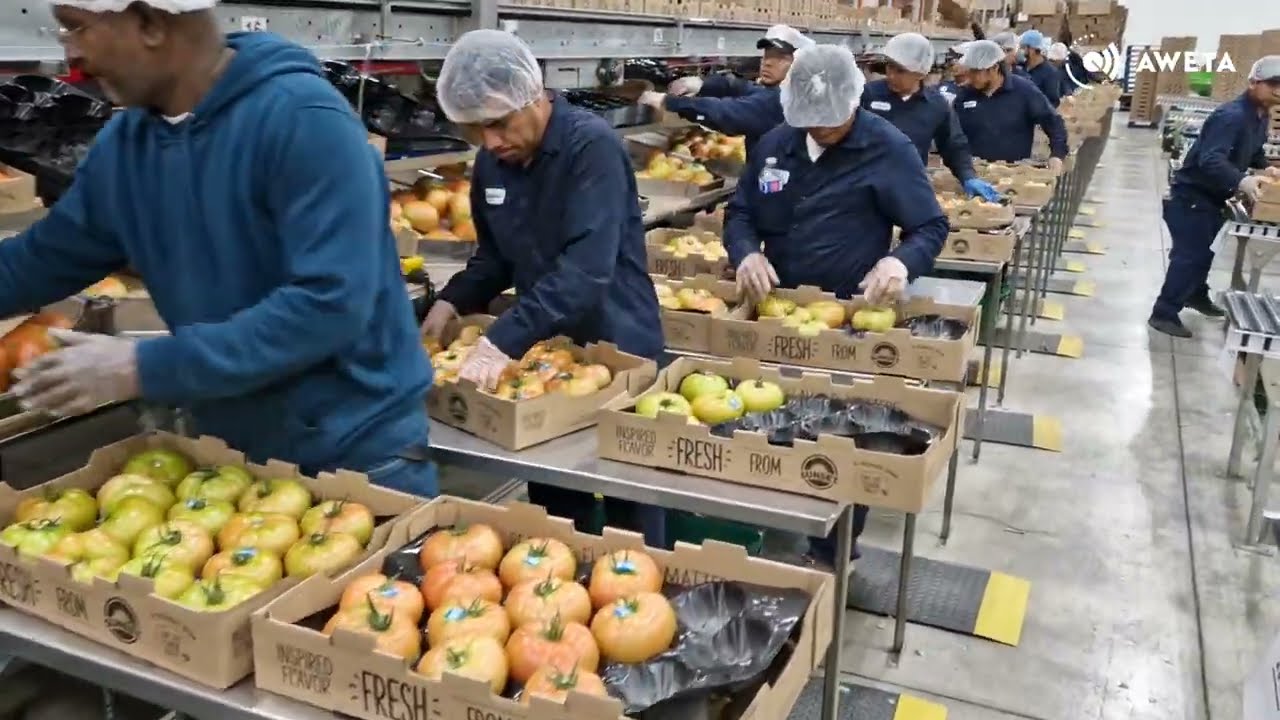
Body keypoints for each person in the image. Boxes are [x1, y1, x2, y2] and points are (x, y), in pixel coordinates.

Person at [0, 0, 436, 495]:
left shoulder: (304, 121)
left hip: (353, 459)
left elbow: (329, 304)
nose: (71, 53)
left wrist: (139, 367)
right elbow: (42, 259)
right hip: (230, 458)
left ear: (149, 24)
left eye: (77, 28)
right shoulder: (126, 145)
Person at [421, 30, 667, 546]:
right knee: (555, 503)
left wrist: (501, 341)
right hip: (544, 355)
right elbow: (495, 258)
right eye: (477, 129)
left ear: (532, 95)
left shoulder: (591, 147)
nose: (490, 142)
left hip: (617, 343)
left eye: (499, 123)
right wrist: (452, 299)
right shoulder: (494, 162)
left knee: (629, 498)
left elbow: (585, 271)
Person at [724, 44, 948, 569]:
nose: (820, 130)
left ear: (853, 102)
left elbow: (930, 226)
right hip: (777, 314)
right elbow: (740, 212)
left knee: (841, 435)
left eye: (831, 122)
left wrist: (899, 263)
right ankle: (774, 520)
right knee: (773, 420)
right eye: (810, 122)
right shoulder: (777, 143)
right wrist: (746, 251)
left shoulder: (888, 148)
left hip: (850, 319)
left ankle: (833, 551)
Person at [1149, 57, 1280, 339]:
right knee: (1190, 256)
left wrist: (1264, 167)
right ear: (1253, 83)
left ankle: (1195, 294)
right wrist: (1242, 180)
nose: (1278, 90)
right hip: (1192, 197)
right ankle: (1163, 312)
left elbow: (1253, 151)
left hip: (1213, 198)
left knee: (1205, 252)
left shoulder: (1260, 116)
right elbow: (1210, 159)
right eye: (1272, 83)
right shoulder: (1231, 116)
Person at [861, 33, 1001, 201]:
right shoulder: (867, 95)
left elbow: (953, 144)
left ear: (920, 73)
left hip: (908, 188)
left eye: (900, 71)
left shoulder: (935, 105)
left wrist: (968, 176)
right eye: (889, 67)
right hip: (865, 186)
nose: (891, 75)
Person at [640, 25, 814, 155]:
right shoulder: (782, 90)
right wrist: (701, 84)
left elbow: (725, 112)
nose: (767, 62)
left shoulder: (786, 100)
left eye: (780, 58)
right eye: (767, 55)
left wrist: (668, 102)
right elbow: (742, 88)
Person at [951, 40, 1069, 172]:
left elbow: (1053, 122)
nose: (970, 77)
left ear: (995, 68)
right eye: (970, 71)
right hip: (975, 173)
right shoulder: (965, 95)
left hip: (1013, 173)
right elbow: (952, 133)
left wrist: (1057, 155)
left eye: (976, 72)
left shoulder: (1024, 91)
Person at [1019, 30, 1062, 108]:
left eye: (1023, 47)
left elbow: (1053, 102)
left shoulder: (1050, 73)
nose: (1020, 50)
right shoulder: (1020, 66)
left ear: (1032, 49)